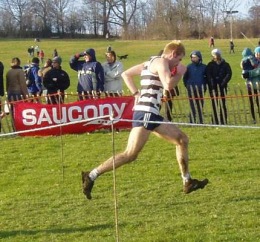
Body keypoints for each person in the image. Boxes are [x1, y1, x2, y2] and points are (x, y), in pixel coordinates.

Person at [81, 40, 209, 200]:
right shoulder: (162, 62)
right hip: (146, 113)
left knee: (182, 140)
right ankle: (91, 175)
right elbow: (168, 85)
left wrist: (136, 94)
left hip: (152, 114)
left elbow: (125, 74)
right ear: (173, 54)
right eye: (179, 59)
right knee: (130, 154)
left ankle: (187, 181)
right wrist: (180, 72)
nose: (179, 63)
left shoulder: (149, 62)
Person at [206, 49, 232, 125]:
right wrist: (212, 84)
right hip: (213, 87)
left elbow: (228, 74)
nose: (216, 56)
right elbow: (208, 75)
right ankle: (214, 120)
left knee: (222, 104)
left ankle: (223, 119)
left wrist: (223, 82)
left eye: (217, 54)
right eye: (214, 55)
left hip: (222, 87)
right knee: (214, 104)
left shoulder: (226, 64)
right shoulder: (210, 65)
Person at [183, 51, 207, 124]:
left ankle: (200, 121)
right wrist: (187, 85)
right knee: (192, 106)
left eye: (195, 57)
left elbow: (206, 78)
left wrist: (204, 86)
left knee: (200, 105)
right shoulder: (189, 67)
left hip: (200, 88)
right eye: (192, 57)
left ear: (199, 58)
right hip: (191, 89)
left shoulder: (204, 67)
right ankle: (192, 121)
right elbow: (185, 78)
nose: (193, 59)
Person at [241, 47, 260, 123]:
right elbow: (244, 71)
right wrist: (243, 75)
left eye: (259, 53)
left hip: (258, 84)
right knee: (251, 102)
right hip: (250, 85)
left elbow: (258, 71)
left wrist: (249, 73)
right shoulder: (250, 61)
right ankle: (253, 118)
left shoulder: (256, 62)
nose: (258, 55)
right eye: (257, 53)